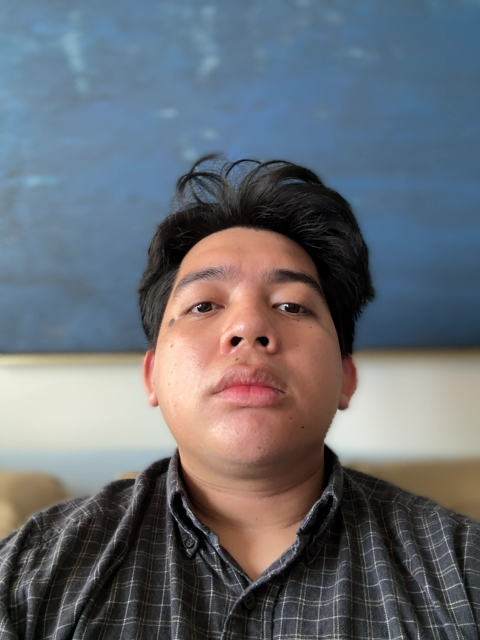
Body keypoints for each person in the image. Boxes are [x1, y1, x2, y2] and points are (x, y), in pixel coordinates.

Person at [1, 156, 479, 639]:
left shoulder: (463, 568)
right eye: (204, 305)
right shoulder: (29, 573)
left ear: (345, 377)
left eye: (292, 305)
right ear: (152, 375)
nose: (249, 327)